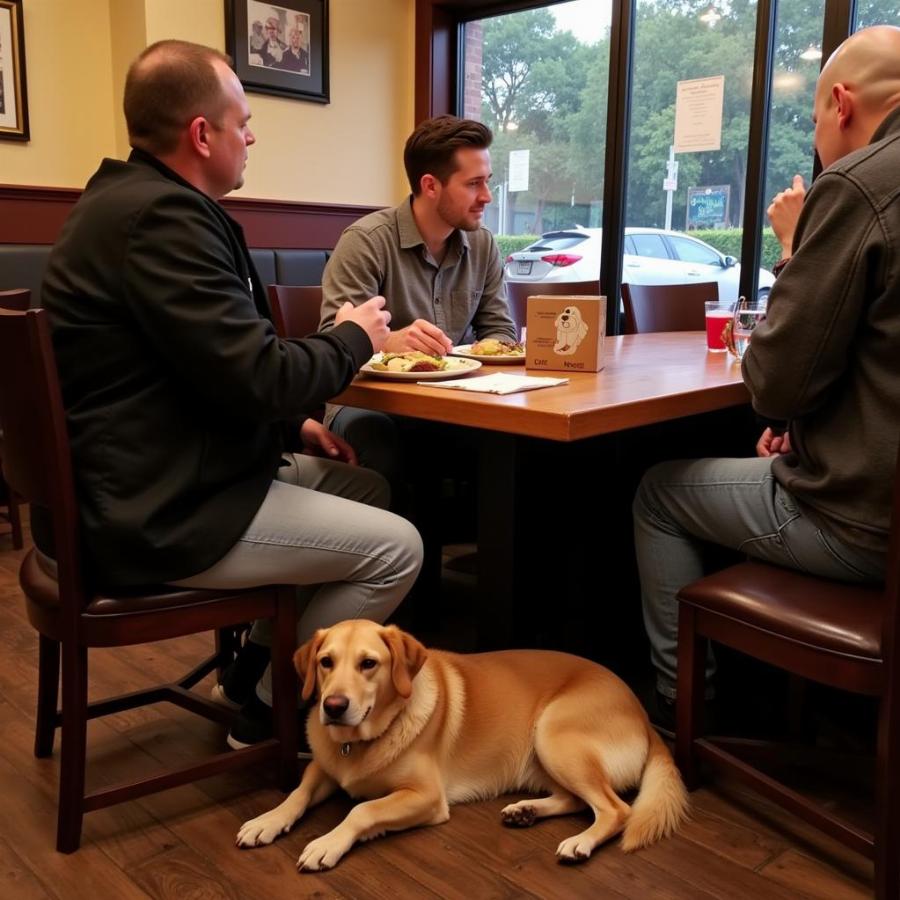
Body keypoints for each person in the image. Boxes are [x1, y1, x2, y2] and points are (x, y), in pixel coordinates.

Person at [39, 40, 423, 750]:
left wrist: (290, 429)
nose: (251, 135)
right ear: (201, 134)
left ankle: (249, 669)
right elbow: (259, 374)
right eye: (242, 121)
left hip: (143, 476)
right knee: (399, 549)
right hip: (155, 510)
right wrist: (356, 336)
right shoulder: (163, 221)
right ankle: (288, 708)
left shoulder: (127, 203)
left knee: (364, 488)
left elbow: (197, 373)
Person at [633, 24, 900, 727]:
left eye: (814, 118)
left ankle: (686, 707)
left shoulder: (861, 182)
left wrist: (793, 245)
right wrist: (807, 427)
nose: (817, 136)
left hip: (865, 524)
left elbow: (776, 384)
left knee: (657, 491)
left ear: (841, 103)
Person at [319, 115, 518, 489]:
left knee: (526, 447)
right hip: (369, 405)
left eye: (487, 182)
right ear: (430, 185)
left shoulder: (483, 244)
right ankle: (405, 548)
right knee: (381, 440)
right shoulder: (367, 241)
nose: (487, 196)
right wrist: (389, 343)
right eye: (474, 184)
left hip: (455, 402)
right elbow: (332, 340)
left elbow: (500, 332)